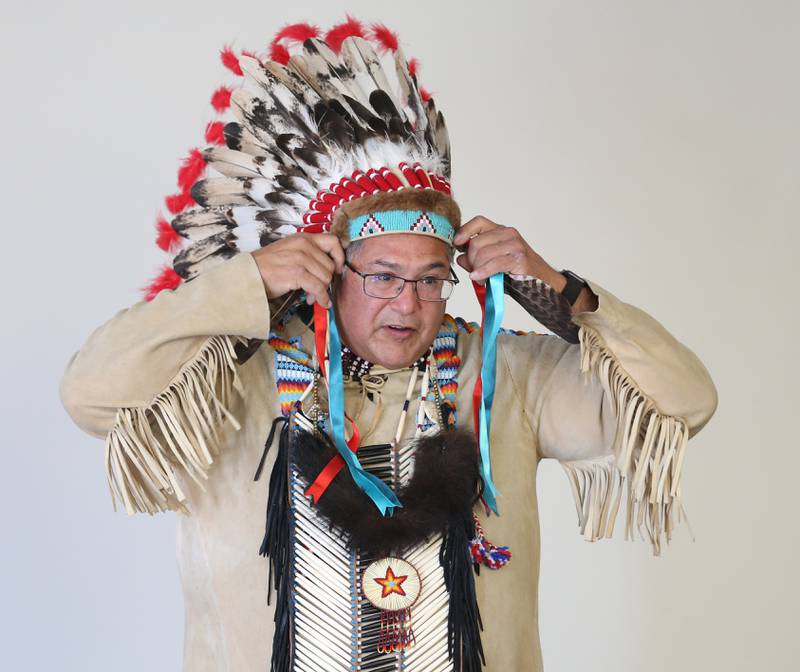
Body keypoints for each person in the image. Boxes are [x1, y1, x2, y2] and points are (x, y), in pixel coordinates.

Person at [59, 17, 718, 672]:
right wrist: (248, 283)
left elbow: (685, 402)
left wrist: (557, 290)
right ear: (328, 267)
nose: (408, 303)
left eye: (432, 280)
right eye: (382, 277)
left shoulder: (509, 378)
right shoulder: (231, 378)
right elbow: (90, 396)